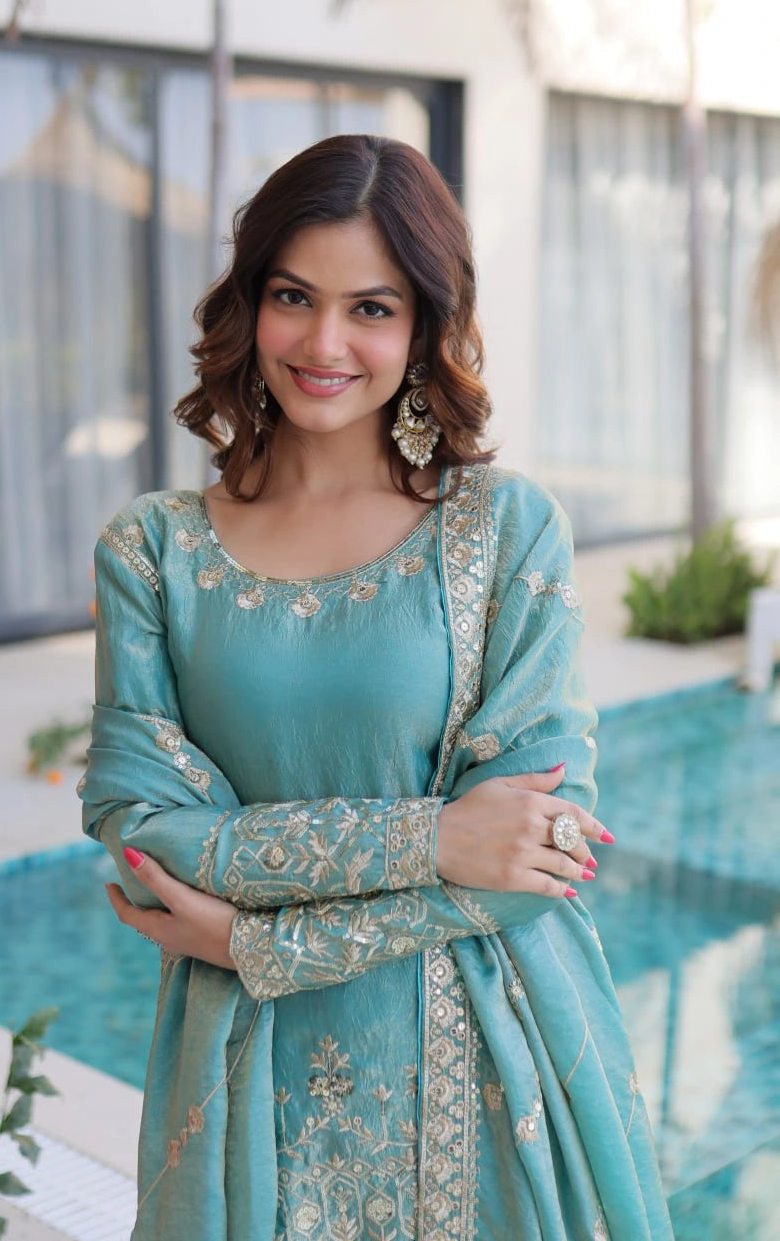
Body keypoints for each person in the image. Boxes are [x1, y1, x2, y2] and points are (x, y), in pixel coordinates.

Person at [79, 134, 673, 1241]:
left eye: (373, 307)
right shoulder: (154, 550)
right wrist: (435, 837)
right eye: (294, 295)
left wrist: (260, 942)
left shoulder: (502, 529)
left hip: (495, 1055)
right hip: (245, 1072)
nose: (323, 341)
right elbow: (143, 834)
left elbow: (536, 854)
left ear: (426, 324)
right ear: (247, 302)